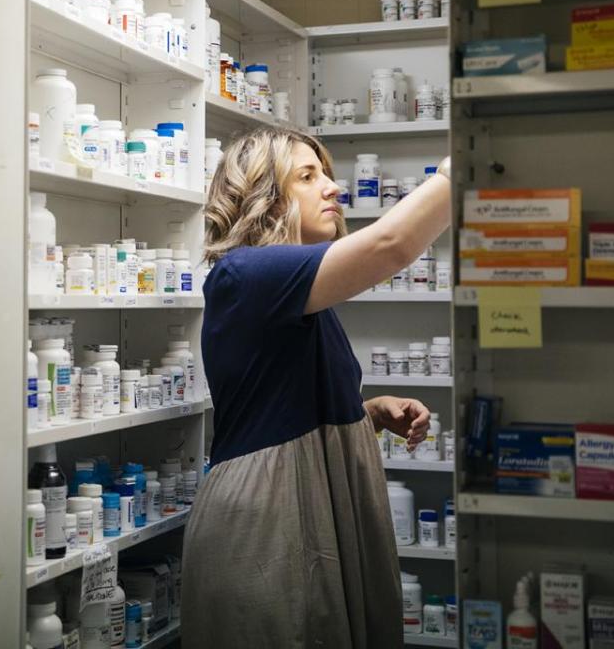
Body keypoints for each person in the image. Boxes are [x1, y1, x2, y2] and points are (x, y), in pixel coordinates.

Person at [181, 126, 451, 646]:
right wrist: (456, 172)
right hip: (268, 518)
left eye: (326, 173)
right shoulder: (246, 273)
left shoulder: (298, 293)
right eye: (308, 176)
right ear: (262, 195)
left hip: (315, 496)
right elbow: (390, 245)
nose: (332, 187)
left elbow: (274, 395)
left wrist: (364, 413)